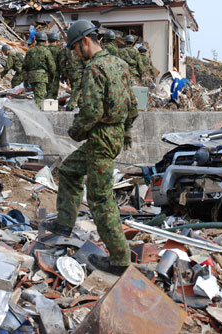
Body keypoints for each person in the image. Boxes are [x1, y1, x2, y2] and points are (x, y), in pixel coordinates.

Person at [42, 20, 138, 275]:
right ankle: (64, 225)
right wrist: (125, 130)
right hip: (113, 135)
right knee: (70, 170)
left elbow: (92, 111)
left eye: (75, 48)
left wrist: (76, 130)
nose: (74, 54)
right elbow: (132, 105)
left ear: (85, 42)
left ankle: (119, 259)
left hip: (100, 139)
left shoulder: (94, 68)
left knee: (99, 198)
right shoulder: (120, 64)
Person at [22, 31, 56, 108]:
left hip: (31, 77)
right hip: (41, 78)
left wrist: (25, 79)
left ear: (36, 40)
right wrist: (52, 77)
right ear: (45, 40)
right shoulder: (46, 51)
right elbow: (52, 66)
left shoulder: (30, 51)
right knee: (39, 98)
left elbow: (24, 66)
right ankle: (37, 116)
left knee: (36, 96)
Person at [58, 42, 85, 111]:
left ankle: (82, 107)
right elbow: (85, 61)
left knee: (78, 90)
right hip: (80, 72)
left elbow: (62, 62)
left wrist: (64, 73)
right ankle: (70, 107)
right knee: (77, 90)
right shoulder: (80, 48)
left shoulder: (66, 49)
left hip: (70, 73)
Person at [46, 32, 62, 99]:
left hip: (46, 72)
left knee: (47, 89)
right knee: (54, 90)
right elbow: (61, 62)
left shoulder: (45, 49)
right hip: (56, 73)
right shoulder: (58, 50)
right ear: (57, 41)